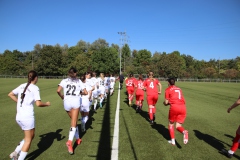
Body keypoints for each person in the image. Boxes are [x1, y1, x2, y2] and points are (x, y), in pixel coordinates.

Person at [8, 70, 51, 160]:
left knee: (31, 136)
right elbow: (38, 104)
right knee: (28, 139)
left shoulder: (22, 85)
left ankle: (15, 153)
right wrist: (46, 104)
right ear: (35, 78)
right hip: (27, 117)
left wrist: (19, 102)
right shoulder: (35, 88)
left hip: (19, 117)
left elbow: (10, 94)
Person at [57, 67, 87, 155]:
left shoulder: (64, 80)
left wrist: (62, 96)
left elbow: (58, 91)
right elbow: (85, 92)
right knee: (74, 122)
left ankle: (77, 139)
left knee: (73, 122)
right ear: (76, 73)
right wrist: (80, 93)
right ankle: (70, 141)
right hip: (75, 102)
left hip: (66, 102)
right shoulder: (79, 81)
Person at [163, 77, 188, 145]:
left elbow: (166, 102)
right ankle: (184, 132)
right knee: (178, 126)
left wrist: (165, 103)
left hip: (175, 107)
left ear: (168, 82)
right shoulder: (179, 89)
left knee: (171, 124)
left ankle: (173, 140)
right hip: (183, 107)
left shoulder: (167, 89)